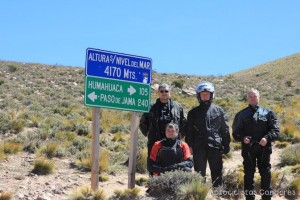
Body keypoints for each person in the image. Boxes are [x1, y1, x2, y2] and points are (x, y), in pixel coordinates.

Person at [232, 88, 280, 200]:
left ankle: (266, 197)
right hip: (248, 149)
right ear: (247, 99)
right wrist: (243, 138)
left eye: (255, 96)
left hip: (264, 148)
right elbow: (235, 132)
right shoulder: (241, 114)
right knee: (248, 173)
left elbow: (276, 130)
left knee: (265, 173)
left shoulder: (269, 113)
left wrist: (267, 138)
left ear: (259, 97)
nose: (253, 98)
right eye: (250, 96)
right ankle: (249, 197)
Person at [186, 81, 230, 188]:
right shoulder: (192, 113)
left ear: (212, 95)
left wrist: (226, 145)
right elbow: (189, 131)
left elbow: (225, 129)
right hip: (198, 147)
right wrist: (189, 145)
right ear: (199, 96)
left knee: (217, 173)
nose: (205, 96)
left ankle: (218, 194)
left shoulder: (219, 111)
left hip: (215, 146)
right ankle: (200, 194)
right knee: (199, 173)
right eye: (203, 94)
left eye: (207, 94)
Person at [139, 83, 186, 156]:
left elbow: (184, 122)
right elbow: (143, 122)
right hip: (154, 142)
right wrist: (149, 134)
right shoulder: (151, 108)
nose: (164, 93)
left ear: (170, 93)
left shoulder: (178, 107)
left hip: (174, 143)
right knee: (154, 164)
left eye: (166, 91)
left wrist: (179, 135)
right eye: (161, 91)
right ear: (157, 93)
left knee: (174, 165)